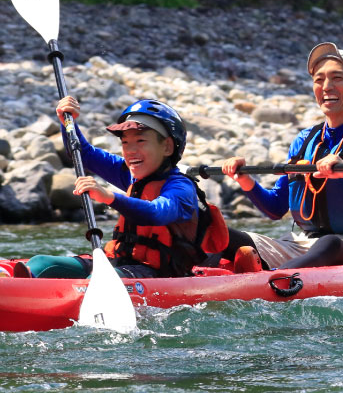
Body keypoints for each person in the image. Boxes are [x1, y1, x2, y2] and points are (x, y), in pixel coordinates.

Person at [221, 42, 343, 269]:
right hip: (301, 246)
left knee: (330, 244)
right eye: (319, 80)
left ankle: (273, 277)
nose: (327, 86)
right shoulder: (304, 140)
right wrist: (245, 181)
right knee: (224, 236)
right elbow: (276, 208)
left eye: (337, 78)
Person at [17, 96, 219, 279]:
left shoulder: (181, 187)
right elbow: (82, 154)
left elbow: (156, 213)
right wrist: (67, 121)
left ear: (167, 146)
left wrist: (109, 197)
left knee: (99, 282)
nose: (130, 150)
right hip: (119, 263)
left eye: (140, 141)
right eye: (125, 142)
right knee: (40, 263)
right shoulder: (130, 174)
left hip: (159, 273)